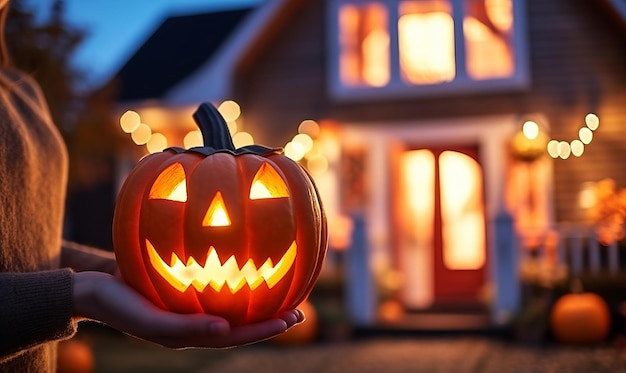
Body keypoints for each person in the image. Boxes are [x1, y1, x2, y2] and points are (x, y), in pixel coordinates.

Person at [0, 1, 303, 371]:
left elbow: (22, 246)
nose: (216, 223)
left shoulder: (21, 90)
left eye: (263, 194)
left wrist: (113, 271)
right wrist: (81, 295)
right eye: (175, 193)